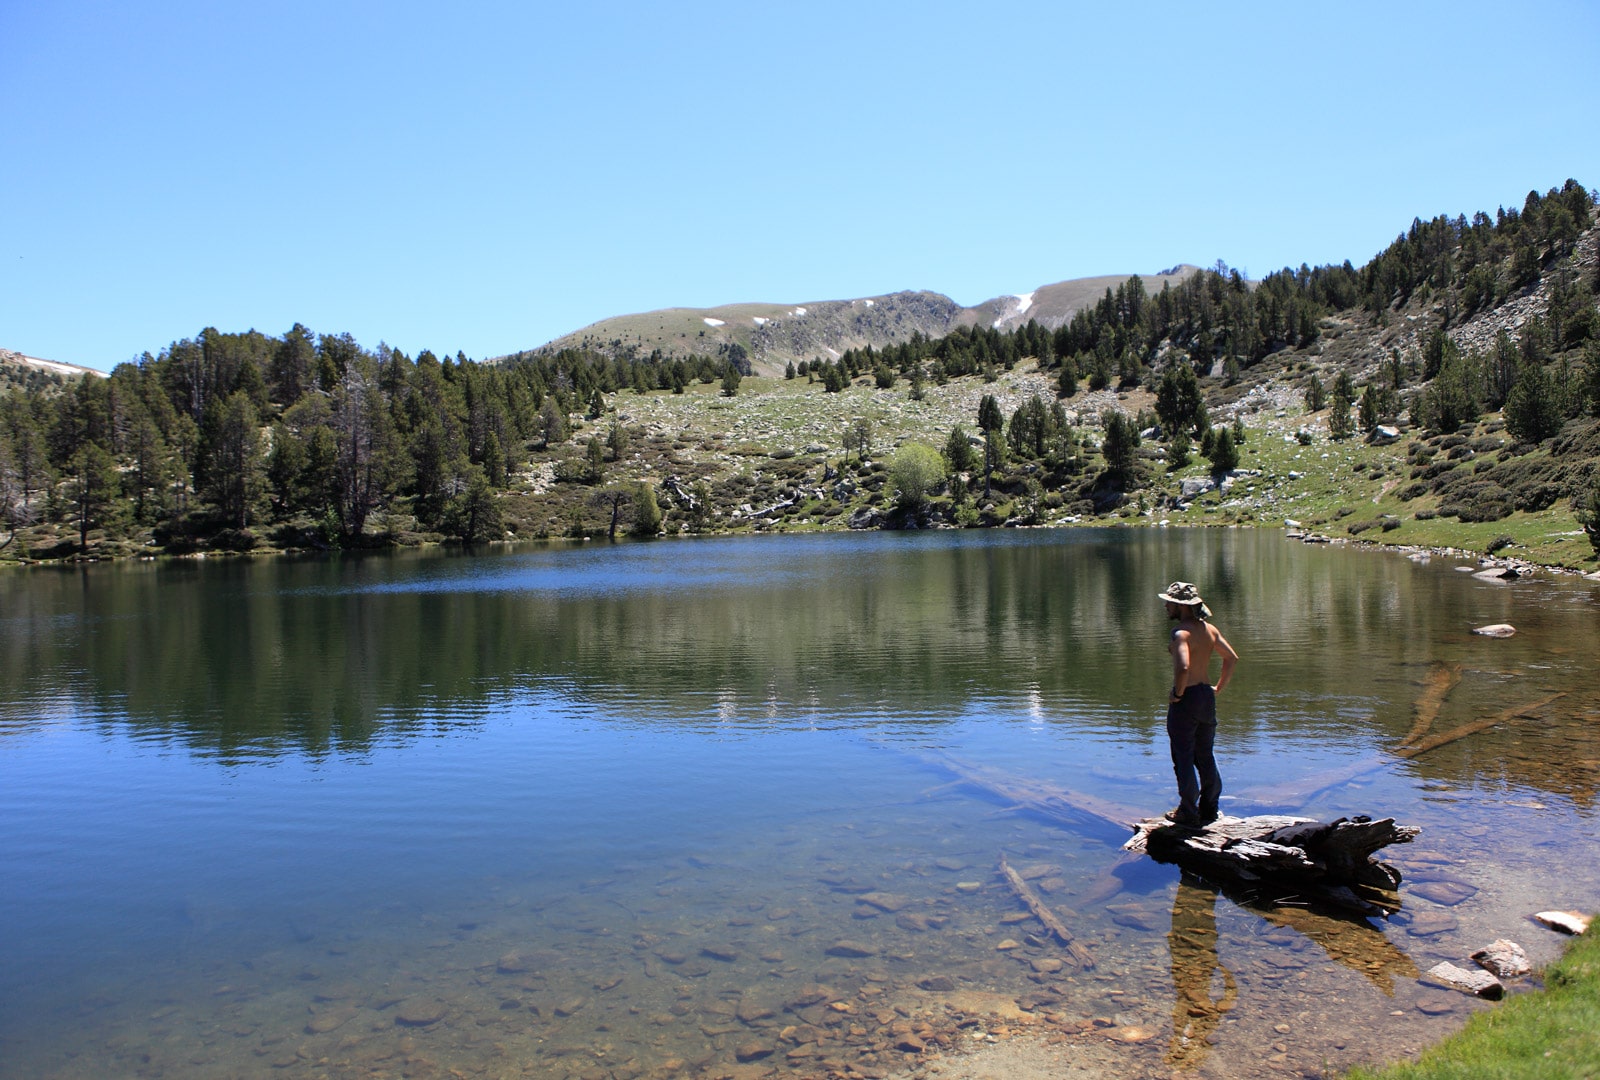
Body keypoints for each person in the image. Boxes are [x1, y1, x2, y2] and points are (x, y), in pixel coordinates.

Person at [1158, 581, 1238, 826]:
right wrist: (1218, 688)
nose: (1165, 606)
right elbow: (1231, 658)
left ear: (1180, 606)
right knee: (1205, 755)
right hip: (1205, 695)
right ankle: (1210, 808)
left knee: (1183, 756)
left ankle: (1188, 812)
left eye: (1169, 602)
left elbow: (1183, 667)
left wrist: (1178, 694)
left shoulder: (1181, 633)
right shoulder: (1209, 629)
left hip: (1188, 699)